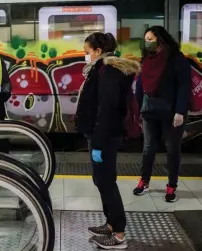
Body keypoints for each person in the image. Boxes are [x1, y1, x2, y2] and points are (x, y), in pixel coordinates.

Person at [75, 32, 140, 250]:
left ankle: (119, 234)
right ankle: (111, 223)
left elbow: (108, 110)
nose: (86, 56)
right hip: (101, 135)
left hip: (104, 137)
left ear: (98, 51)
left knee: (107, 183)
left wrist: (99, 143)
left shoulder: (108, 72)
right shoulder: (103, 69)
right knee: (102, 181)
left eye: (87, 52)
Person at [133, 26, 191, 202]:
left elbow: (183, 85)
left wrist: (180, 111)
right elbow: (141, 86)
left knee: (172, 149)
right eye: (146, 39)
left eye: (150, 38)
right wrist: (138, 108)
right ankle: (144, 180)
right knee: (148, 147)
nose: (147, 42)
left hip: (172, 111)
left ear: (160, 39)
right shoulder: (147, 59)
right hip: (149, 109)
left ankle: (171, 186)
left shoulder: (176, 58)